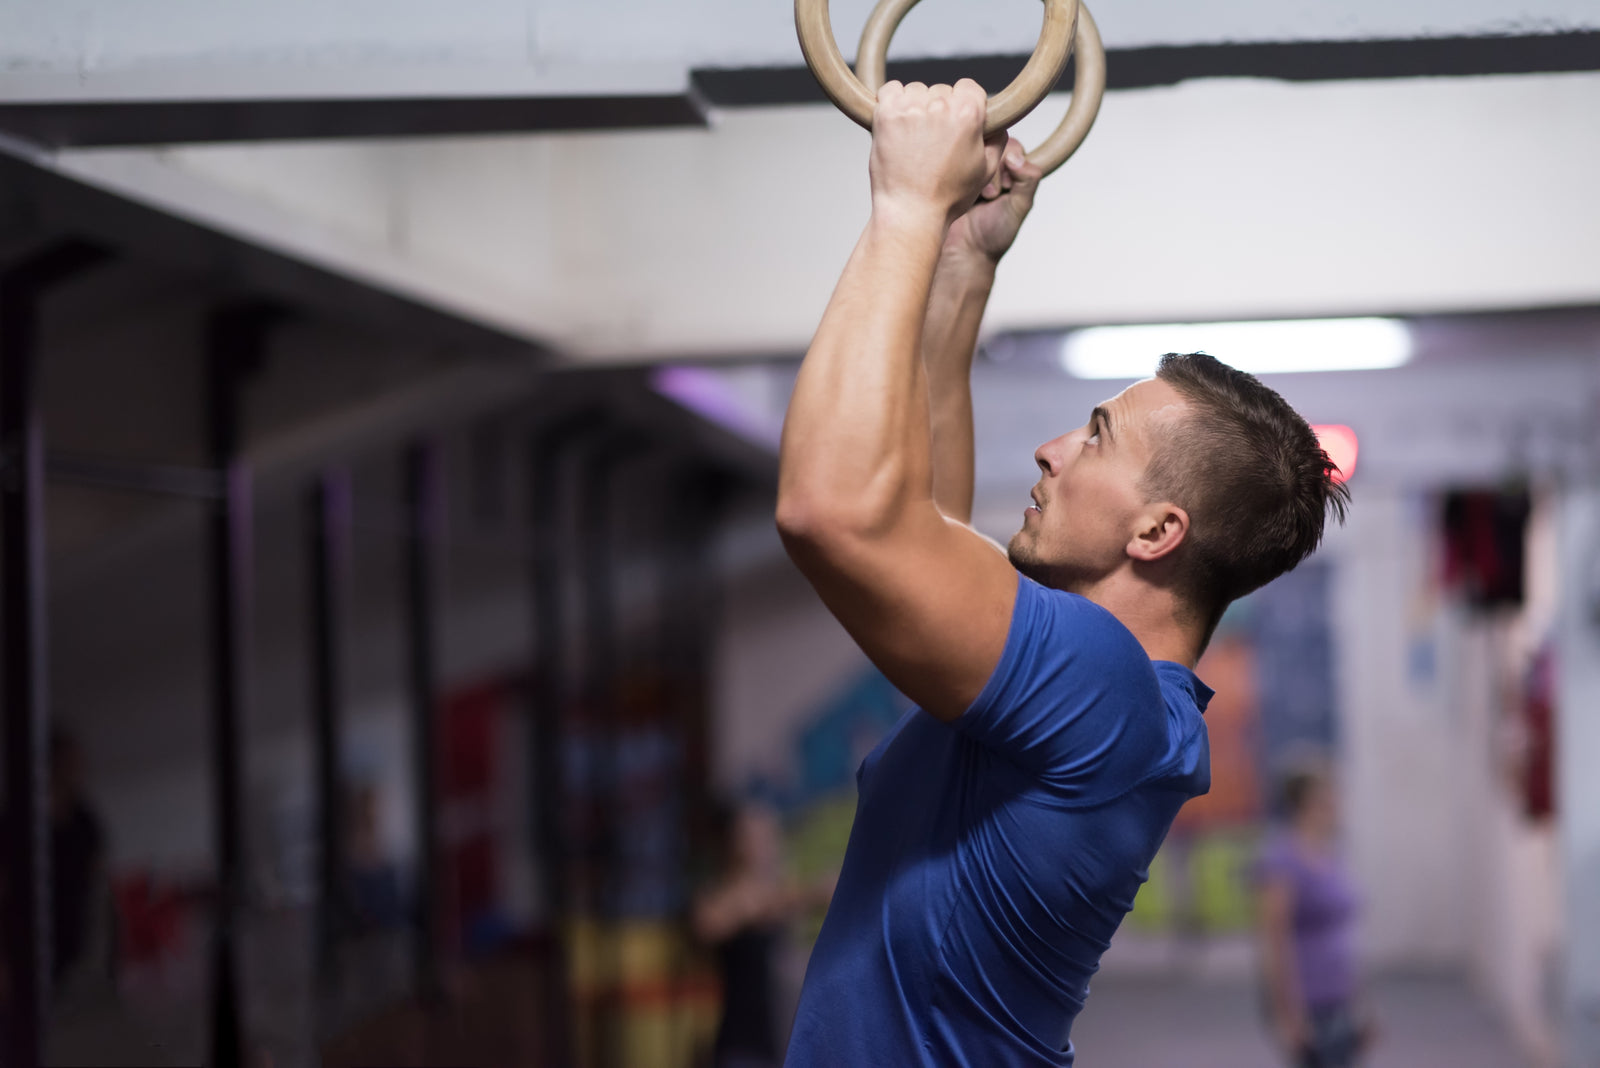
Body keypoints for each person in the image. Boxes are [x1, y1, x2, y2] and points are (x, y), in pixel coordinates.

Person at [774, 79, 1349, 1065]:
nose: (1047, 451)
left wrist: (905, 204)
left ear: (1158, 531)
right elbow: (931, 532)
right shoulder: (1118, 700)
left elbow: (832, 511)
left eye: (1092, 438)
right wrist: (959, 267)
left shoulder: (1100, 691)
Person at [692, 801, 834, 1068]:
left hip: (781, 1045)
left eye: (770, 836)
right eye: (757, 837)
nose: (768, 845)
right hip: (743, 1047)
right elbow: (711, 922)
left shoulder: (780, 892)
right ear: (737, 843)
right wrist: (808, 894)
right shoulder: (728, 895)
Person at [1258, 758, 1374, 1068]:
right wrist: (1288, 1013)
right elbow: (1274, 941)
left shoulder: (1331, 854)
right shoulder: (1282, 859)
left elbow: (1343, 935)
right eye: (1328, 797)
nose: (1337, 804)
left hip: (1341, 994)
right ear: (1306, 803)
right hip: (1308, 1001)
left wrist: (1362, 1002)